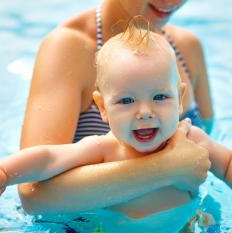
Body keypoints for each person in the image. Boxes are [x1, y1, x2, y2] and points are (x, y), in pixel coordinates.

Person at [0, 26, 232, 225]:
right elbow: (48, 158)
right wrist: (4, 173)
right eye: (126, 101)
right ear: (102, 107)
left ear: (180, 98)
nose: (144, 112)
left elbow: (230, 161)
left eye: (159, 97)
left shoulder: (190, 138)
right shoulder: (102, 149)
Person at [17, 0, 213, 215]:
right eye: (126, 101)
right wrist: (166, 168)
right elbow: (33, 195)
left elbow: (210, 143)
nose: (173, 2)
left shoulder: (186, 46)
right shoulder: (70, 46)